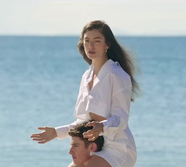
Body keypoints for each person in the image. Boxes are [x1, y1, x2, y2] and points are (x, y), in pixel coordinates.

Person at [31, 20, 139, 167]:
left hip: (118, 148)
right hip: (94, 146)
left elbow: (121, 120)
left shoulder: (117, 75)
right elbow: (82, 122)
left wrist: (102, 127)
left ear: (107, 44)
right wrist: (56, 132)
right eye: (87, 40)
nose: (91, 46)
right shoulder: (86, 76)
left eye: (97, 41)